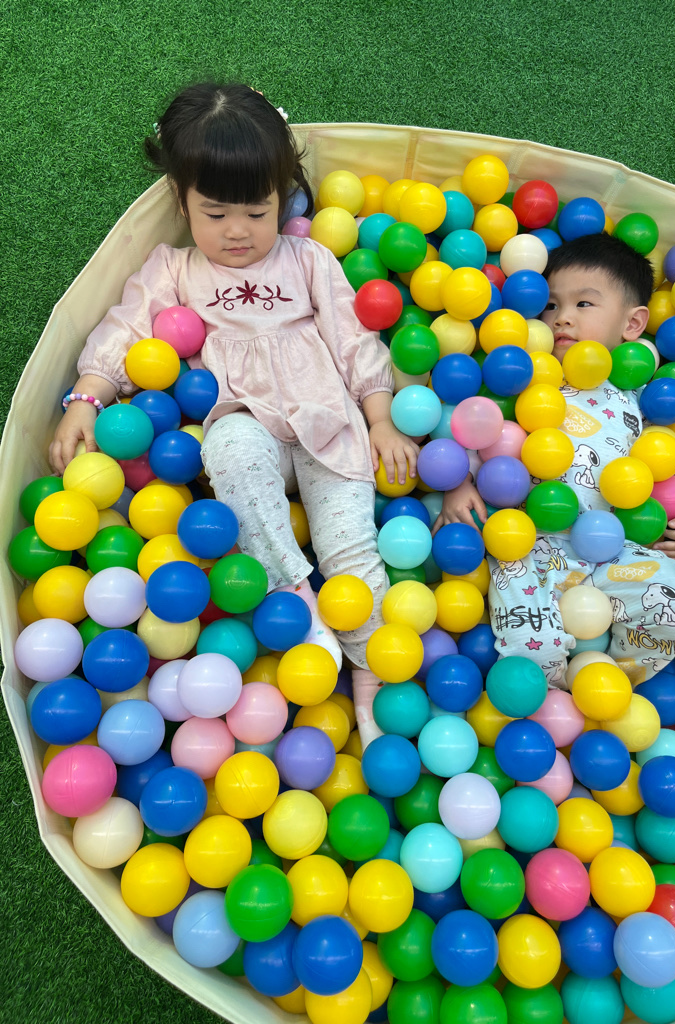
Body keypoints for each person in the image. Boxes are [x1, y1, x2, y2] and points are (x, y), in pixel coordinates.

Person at [49, 82, 418, 745]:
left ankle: (373, 685)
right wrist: (87, 395)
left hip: (327, 425)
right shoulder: (175, 270)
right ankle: (293, 594)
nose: (239, 231)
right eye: (215, 213)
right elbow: (126, 328)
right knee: (232, 450)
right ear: (181, 202)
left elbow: (354, 342)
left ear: (284, 196)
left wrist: (381, 417)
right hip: (245, 421)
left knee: (352, 550)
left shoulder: (309, 259)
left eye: (257, 210)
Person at [436, 234, 675, 687]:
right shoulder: (524, 377)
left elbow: (668, 470)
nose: (562, 317)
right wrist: (458, 482)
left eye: (584, 304)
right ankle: (557, 698)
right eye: (550, 305)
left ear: (632, 323)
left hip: (615, 547)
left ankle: (606, 681)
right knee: (531, 650)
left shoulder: (639, 396)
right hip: (526, 544)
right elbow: (483, 430)